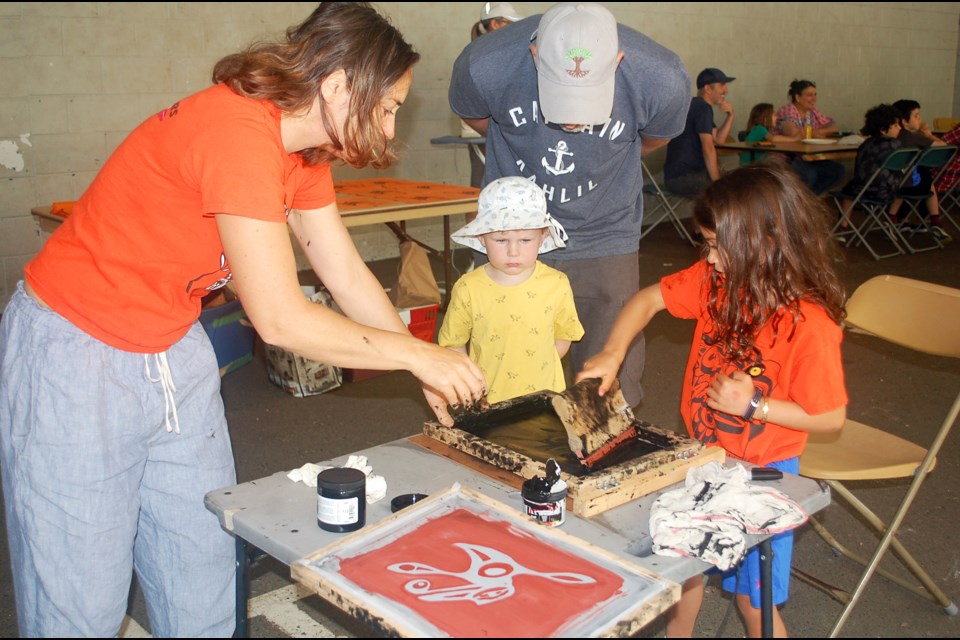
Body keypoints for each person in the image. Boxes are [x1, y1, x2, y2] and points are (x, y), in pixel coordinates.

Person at [0, 4, 487, 637]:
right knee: (79, 597)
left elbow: (341, 271)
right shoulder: (237, 131)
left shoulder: (304, 149)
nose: (392, 124)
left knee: (199, 566)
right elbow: (281, 319)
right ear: (339, 86)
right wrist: (418, 356)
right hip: (76, 348)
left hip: (173, 342)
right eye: (389, 105)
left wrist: (417, 355)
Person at [578, 164, 848, 638]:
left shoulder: (809, 324)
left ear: (761, 243)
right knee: (683, 573)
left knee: (753, 599)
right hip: (705, 456)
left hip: (766, 473)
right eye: (705, 243)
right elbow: (647, 301)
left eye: (716, 245)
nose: (709, 256)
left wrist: (754, 407)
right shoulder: (715, 280)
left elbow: (830, 418)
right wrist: (612, 352)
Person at [449, 1, 691, 407]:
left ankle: (604, 452)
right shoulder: (483, 65)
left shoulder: (662, 78)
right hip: (514, 229)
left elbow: (653, 141)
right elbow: (481, 121)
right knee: (502, 362)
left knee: (608, 378)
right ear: (534, 56)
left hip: (605, 228)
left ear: (617, 61)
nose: (573, 123)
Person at [438, 176, 585, 403]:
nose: (513, 252)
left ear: (543, 236)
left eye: (525, 240)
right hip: (488, 399)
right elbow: (454, 343)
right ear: (482, 237)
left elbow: (564, 336)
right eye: (501, 240)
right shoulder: (468, 288)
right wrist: (470, 382)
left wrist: (536, 369)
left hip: (544, 398)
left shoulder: (557, 284)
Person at [463, 2, 525, 189]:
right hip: (487, 132)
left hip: (501, 131)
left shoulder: (499, 54)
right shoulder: (480, 56)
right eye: (509, 23)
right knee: (480, 190)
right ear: (495, 24)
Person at [664, 68, 736, 196]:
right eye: (722, 85)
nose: (726, 90)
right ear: (708, 89)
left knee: (732, 181)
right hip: (684, 178)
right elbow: (708, 148)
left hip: (676, 177)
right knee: (728, 190)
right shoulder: (703, 108)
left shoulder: (696, 106)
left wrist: (730, 116)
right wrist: (716, 183)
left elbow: (719, 139)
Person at [888, 98, 951, 242]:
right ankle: (935, 221)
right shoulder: (914, 137)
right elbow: (944, 146)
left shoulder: (890, 136)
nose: (920, 119)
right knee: (927, 179)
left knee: (911, 173)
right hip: (908, 186)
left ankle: (895, 218)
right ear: (904, 121)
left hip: (888, 184)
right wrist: (928, 135)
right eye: (916, 115)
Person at [835, 103, 904, 235]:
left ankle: (843, 226)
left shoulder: (866, 144)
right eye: (896, 125)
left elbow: (860, 172)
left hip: (868, 191)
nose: (899, 128)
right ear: (883, 130)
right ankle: (891, 218)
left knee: (848, 190)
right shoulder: (897, 145)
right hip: (892, 191)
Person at [775, 79, 845, 194]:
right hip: (788, 158)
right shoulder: (788, 110)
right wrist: (815, 132)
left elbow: (834, 127)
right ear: (798, 97)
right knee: (809, 175)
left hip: (808, 156)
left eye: (815, 95)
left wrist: (819, 132)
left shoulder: (812, 111)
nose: (814, 98)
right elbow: (792, 132)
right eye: (809, 95)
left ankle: (808, 200)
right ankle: (799, 202)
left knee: (838, 170)